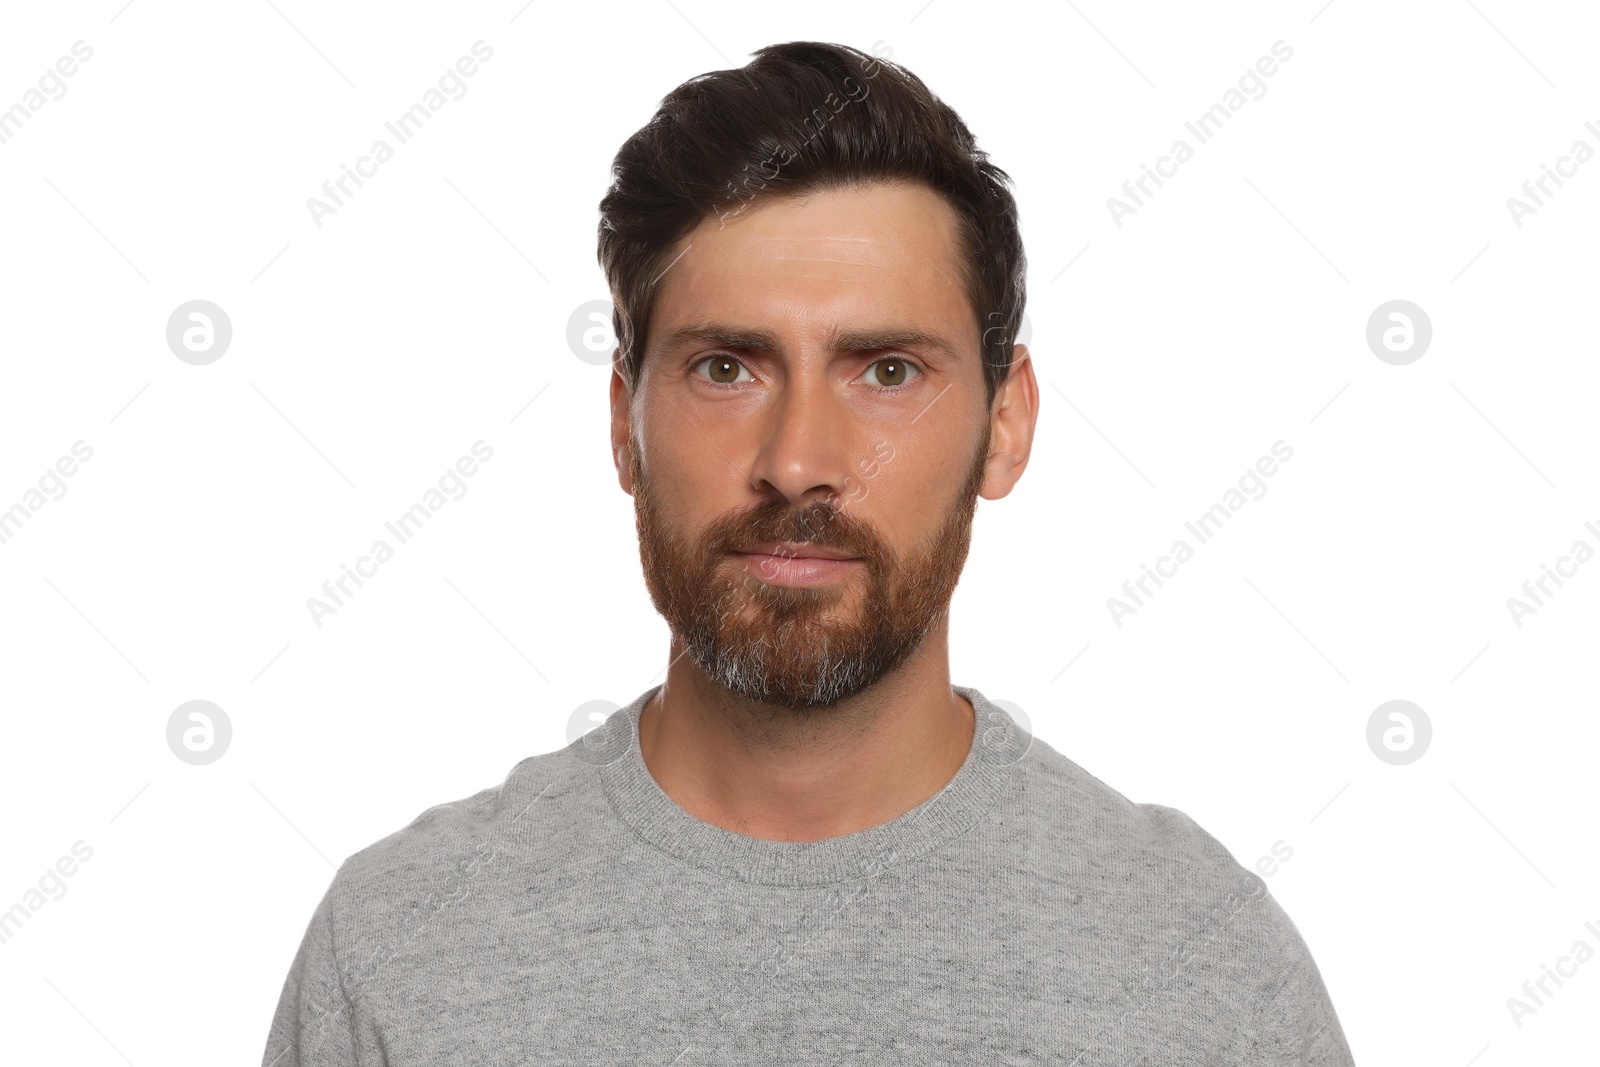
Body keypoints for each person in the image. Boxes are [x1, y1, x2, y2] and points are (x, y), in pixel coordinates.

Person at [262, 40, 1355, 1064]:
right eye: (726, 368)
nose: (797, 462)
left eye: (885, 371)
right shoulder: (401, 957)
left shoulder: (1202, 972)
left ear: (1005, 424)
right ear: (621, 425)